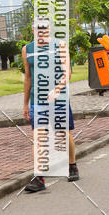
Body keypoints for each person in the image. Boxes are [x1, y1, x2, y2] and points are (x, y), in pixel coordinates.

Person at [22, 20, 79, 192]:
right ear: (33, 30)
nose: (41, 31)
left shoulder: (60, 45)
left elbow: (67, 73)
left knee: (63, 133)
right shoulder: (27, 49)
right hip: (37, 100)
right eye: (38, 28)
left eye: (44, 28)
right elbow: (28, 77)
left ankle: (72, 166)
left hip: (59, 99)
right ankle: (39, 178)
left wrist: (58, 89)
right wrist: (25, 103)